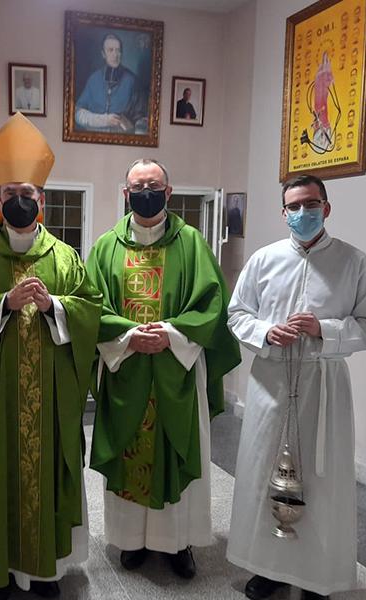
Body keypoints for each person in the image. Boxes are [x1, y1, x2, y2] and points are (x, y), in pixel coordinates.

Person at [0, 113, 102, 600]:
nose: (19, 201)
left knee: (45, 475)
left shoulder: (65, 258)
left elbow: (90, 310)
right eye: (9, 193)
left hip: (48, 400)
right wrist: (2, 306)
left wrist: (55, 307)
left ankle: (45, 573)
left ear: (41, 200)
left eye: (27, 193)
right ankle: (0, 571)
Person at [86, 158, 240, 580]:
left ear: (168, 192)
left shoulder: (191, 243)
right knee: (129, 449)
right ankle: (131, 541)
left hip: (177, 372)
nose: (146, 193)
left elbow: (212, 304)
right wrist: (128, 338)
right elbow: (90, 307)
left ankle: (177, 542)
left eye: (153, 186)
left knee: (175, 448)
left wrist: (171, 335)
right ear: (126, 194)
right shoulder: (106, 247)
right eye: (138, 187)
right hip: (126, 371)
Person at [226, 174, 366, 600]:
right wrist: (266, 331)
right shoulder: (264, 260)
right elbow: (237, 313)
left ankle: (317, 576)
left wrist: (324, 329)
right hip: (271, 381)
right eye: (293, 206)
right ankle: (268, 568)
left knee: (321, 477)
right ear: (283, 213)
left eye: (311, 204)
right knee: (262, 471)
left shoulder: (353, 262)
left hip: (322, 383)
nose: (302, 212)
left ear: (326, 208)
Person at [74, 33, 147, 133]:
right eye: (110, 50)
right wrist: (104, 120)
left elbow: (142, 120)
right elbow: (77, 113)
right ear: (103, 54)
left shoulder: (132, 81)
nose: (115, 55)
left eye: (118, 50)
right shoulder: (93, 79)